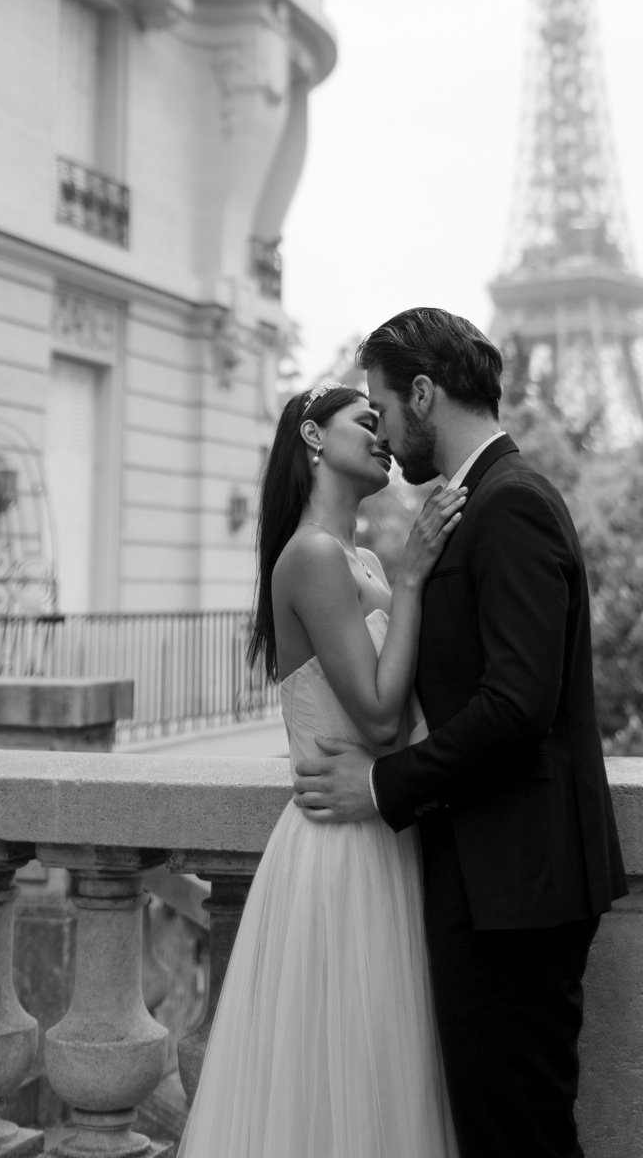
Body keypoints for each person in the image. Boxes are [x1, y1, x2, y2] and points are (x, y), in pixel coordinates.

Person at [292, 307, 628, 1158]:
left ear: (424, 392)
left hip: (517, 887)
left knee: (515, 1136)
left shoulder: (507, 506)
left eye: (381, 402)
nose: (379, 423)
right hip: (496, 879)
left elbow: (517, 706)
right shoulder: (473, 504)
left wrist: (378, 785)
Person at [177, 382, 466, 1158]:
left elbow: (403, 717)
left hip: (384, 833)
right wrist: (412, 580)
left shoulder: (362, 557)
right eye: (362, 421)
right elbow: (377, 716)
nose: (382, 435)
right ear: (311, 436)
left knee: (382, 1073)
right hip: (340, 852)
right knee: (339, 1084)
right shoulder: (310, 556)